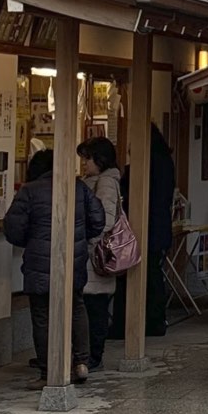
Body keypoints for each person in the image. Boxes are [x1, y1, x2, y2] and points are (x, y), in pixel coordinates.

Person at [4, 148, 105, 386]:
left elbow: (12, 228)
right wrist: (80, 238)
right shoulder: (78, 188)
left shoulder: (29, 191)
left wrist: (31, 241)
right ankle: (81, 362)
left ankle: (48, 370)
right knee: (76, 306)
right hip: (73, 258)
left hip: (38, 262)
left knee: (41, 314)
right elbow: (98, 220)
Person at [111, 123, 177, 341]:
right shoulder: (165, 162)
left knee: (133, 276)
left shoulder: (146, 164)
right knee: (153, 276)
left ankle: (127, 323)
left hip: (143, 227)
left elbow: (132, 194)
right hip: (159, 227)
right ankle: (155, 320)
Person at [78, 137, 122, 371]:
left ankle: (94, 355)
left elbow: (105, 220)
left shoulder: (105, 182)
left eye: (87, 158)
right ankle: (89, 355)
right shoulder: (96, 180)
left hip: (95, 256)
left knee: (95, 309)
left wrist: (88, 240)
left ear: (99, 159)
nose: (84, 163)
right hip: (90, 255)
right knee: (91, 307)